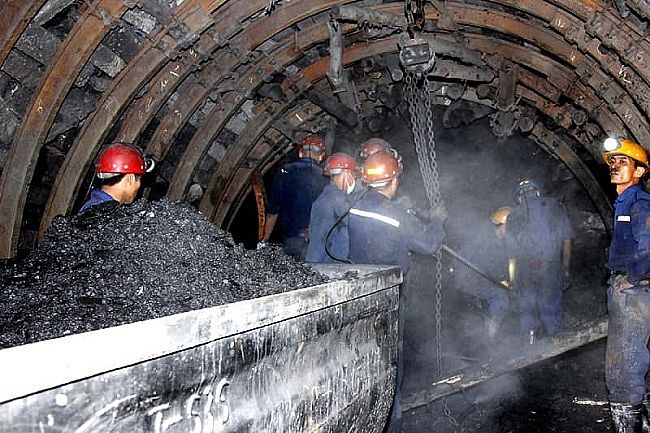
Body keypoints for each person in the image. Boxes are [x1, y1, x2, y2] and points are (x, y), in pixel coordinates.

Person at [346, 148, 445, 433]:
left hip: (360, 293)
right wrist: (437, 220)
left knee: (363, 358)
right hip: (389, 297)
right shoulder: (396, 214)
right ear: (393, 181)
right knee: (391, 360)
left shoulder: (356, 206)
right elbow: (428, 244)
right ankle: (392, 423)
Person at [600, 137, 650, 432]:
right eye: (612, 162)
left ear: (639, 171)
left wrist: (631, 277)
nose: (615, 166)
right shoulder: (625, 202)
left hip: (635, 293)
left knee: (623, 367)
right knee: (635, 361)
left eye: (623, 162)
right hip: (633, 291)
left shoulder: (639, 203)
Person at [507, 179, 572, 343]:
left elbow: (512, 255)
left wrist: (512, 280)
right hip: (550, 267)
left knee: (527, 310)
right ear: (536, 192)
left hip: (526, 272)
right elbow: (567, 240)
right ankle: (557, 345)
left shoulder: (513, 216)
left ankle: (529, 346)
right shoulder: (555, 206)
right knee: (551, 310)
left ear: (519, 198)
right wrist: (565, 268)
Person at [262, 134, 328, 260]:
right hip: (316, 243)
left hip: (291, 240)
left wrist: (264, 241)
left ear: (300, 153)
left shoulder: (286, 171)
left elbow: (273, 210)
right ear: (321, 155)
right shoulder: (327, 178)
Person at [452, 207, 513, 340]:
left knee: (501, 290)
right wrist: (504, 281)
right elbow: (491, 266)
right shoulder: (488, 241)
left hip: (474, 276)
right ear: (503, 226)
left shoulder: (488, 236)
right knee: (500, 296)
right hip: (469, 278)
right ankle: (490, 334)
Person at [305, 152, 360, 263]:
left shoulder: (326, 197)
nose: (354, 179)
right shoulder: (338, 201)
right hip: (330, 266)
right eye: (353, 175)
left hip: (323, 264)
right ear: (346, 173)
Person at [79, 143, 154, 213]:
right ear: (130, 178)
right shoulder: (105, 211)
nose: (139, 185)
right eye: (139, 179)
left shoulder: (93, 206)